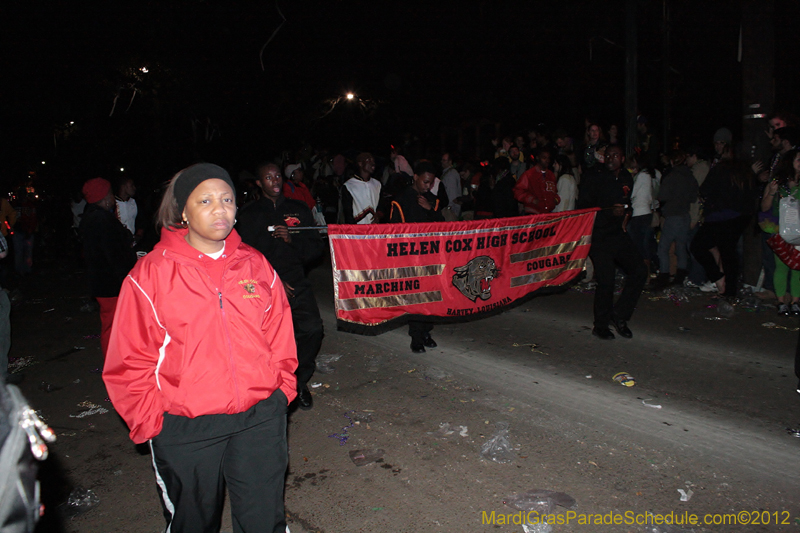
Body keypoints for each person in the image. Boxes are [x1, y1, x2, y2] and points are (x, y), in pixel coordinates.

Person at [103, 163, 297, 533]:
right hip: (186, 427)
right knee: (192, 522)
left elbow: (280, 336)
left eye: (227, 199)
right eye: (205, 200)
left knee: (264, 520)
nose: (219, 209)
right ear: (183, 212)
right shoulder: (151, 275)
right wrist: (153, 424)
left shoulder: (255, 264)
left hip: (259, 419)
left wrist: (281, 392)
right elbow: (129, 361)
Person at [238, 162, 325, 410]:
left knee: (312, 330)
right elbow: (243, 257)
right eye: (268, 177)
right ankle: (269, 386)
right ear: (259, 183)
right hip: (262, 284)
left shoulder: (298, 209)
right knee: (267, 340)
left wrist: (292, 239)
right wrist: (272, 281)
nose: (275, 181)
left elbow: (315, 249)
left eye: (277, 176)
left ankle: (298, 381)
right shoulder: (249, 214)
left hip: (296, 280)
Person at [577, 145, 648, 340]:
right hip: (598, 235)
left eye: (615, 155)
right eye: (608, 155)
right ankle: (600, 325)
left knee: (640, 271)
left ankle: (618, 315)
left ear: (623, 158)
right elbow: (583, 207)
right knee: (607, 280)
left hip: (617, 234)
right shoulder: (595, 176)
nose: (611, 158)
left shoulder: (626, 176)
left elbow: (628, 204)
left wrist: (626, 214)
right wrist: (609, 211)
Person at [79, 178, 137, 356]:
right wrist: (127, 276)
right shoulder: (102, 219)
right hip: (111, 283)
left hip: (101, 281)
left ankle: (114, 361)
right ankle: (115, 361)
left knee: (111, 323)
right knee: (115, 325)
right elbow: (113, 253)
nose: (113, 198)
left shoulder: (89, 216)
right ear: (105, 198)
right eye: (111, 194)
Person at [390, 161, 444, 352]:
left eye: (430, 182)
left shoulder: (432, 200)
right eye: (425, 182)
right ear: (415, 177)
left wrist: (430, 210)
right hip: (411, 257)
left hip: (430, 255)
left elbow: (442, 227)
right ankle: (416, 336)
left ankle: (427, 331)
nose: (427, 186)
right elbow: (394, 231)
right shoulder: (401, 200)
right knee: (416, 298)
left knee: (431, 296)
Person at [690, 151, 757, 297]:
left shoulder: (721, 169)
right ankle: (729, 289)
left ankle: (720, 280)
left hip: (720, 215)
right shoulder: (746, 172)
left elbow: (704, 190)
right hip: (739, 217)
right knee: (728, 252)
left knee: (699, 246)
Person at [761, 150, 800, 315]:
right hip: (780, 229)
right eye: (799, 159)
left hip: (799, 232)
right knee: (782, 266)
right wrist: (771, 191)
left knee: (798, 267)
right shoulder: (778, 182)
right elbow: (764, 208)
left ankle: (796, 302)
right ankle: (781, 301)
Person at [652, 150, 699, 287]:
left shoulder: (672, 177)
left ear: (672, 162)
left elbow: (663, 196)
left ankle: (664, 275)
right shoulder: (690, 177)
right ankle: (680, 275)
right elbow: (693, 197)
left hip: (673, 215)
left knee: (663, 248)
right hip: (685, 215)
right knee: (681, 247)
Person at [513, 148, 559, 214]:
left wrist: (555, 200)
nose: (547, 160)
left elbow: (554, 192)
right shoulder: (529, 174)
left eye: (548, 158)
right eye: (544, 158)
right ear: (538, 158)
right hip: (533, 213)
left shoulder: (551, 175)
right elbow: (518, 191)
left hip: (547, 213)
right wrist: (532, 199)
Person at [341, 153, 381, 224]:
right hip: (357, 229)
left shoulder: (377, 184)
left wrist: (379, 214)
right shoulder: (349, 185)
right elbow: (347, 212)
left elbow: (382, 205)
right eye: (368, 160)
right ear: (360, 164)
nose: (372, 163)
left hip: (374, 229)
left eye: (373, 161)